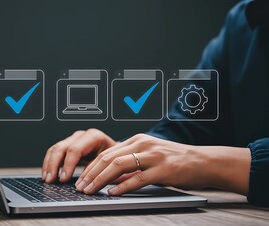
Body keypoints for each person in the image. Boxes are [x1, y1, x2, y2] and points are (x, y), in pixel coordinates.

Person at [41, 0, 269, 206]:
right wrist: (123, 155)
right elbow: (188, 128)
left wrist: (211, 163)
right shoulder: (243, 21)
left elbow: (192, 154)